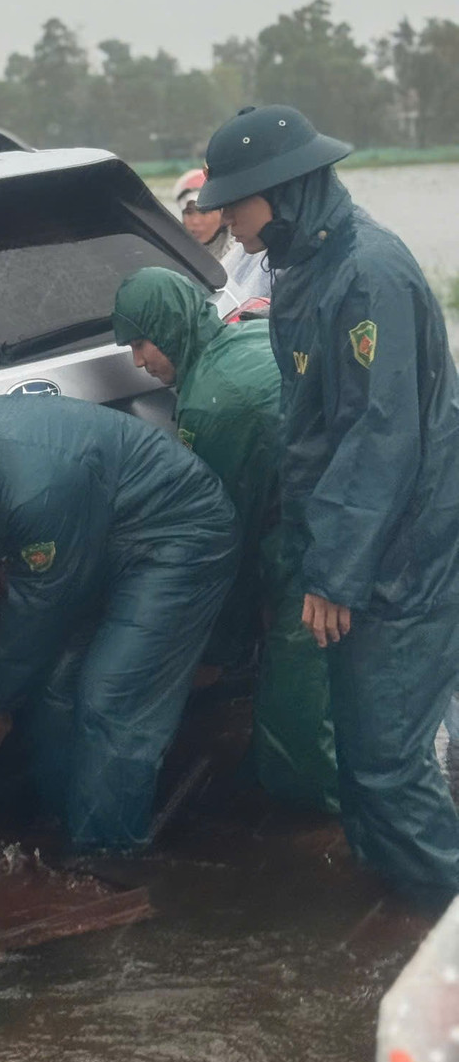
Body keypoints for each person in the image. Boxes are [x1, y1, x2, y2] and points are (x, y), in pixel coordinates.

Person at [196, 104, 459, 905]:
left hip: (406, 550)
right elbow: (311, 425)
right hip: (353, 544)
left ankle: (443, 927)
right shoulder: (300, 263)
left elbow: (380, 439)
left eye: (235, 205)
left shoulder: (366, 272)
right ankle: (394, 898)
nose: (226, 223)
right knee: (359, 754)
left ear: (283, 191)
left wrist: (335, 573)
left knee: (388, 761)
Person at [0, 388, 238, 853]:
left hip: (173, 533)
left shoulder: (35, 487)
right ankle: (65, 827)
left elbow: (39, 610)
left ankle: (107, 858)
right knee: (55, 690)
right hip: (86, 546)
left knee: (111, 697)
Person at [112, 267, 337, 811]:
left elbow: (228, 540)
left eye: (142, 343)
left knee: (297, 701)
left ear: (168, 329)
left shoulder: (213, 406)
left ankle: (318, 820)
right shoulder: (248, 332)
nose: (140, 362)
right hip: (352, 513)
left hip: (315, 540)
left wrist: (219, 649)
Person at [176, 165, 271, 309]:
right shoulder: (175, 256)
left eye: (204, 212)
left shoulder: (248, 251)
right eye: (189, 212)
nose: (195, 222)